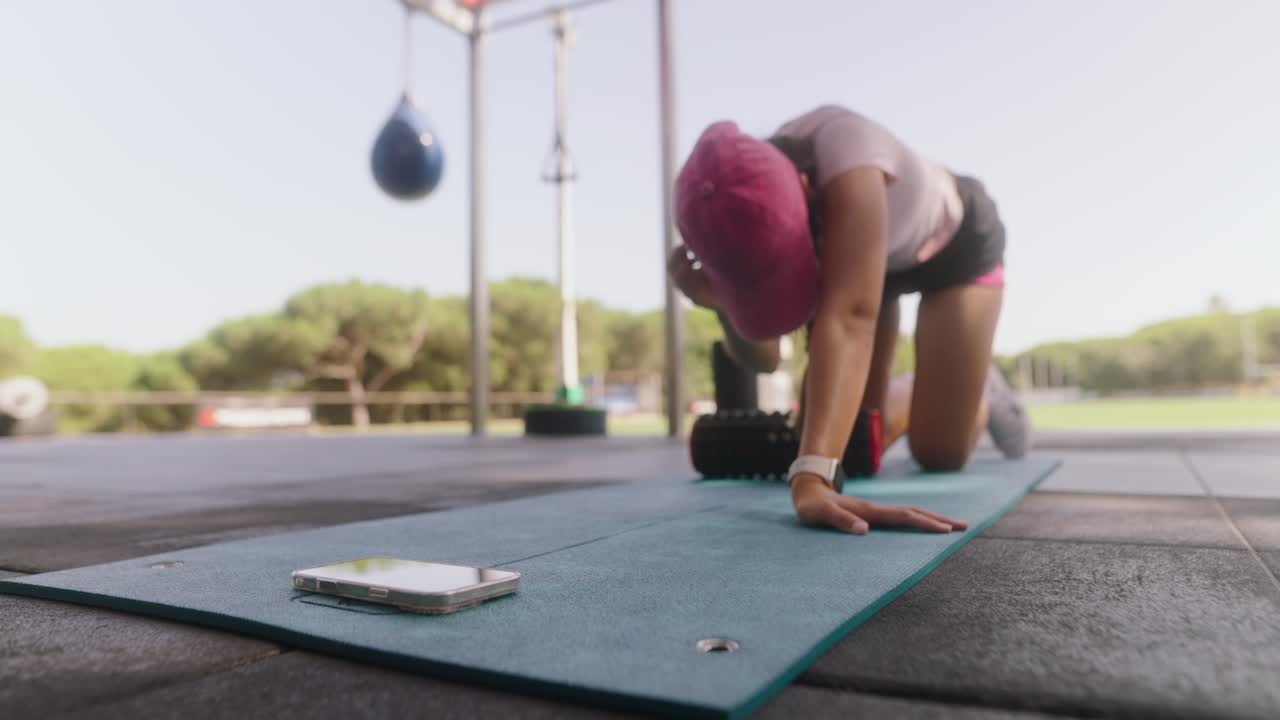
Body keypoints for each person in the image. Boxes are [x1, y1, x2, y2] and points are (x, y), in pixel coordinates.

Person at [668, 105, 1031, 536]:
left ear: (804, 189)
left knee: (939, 453)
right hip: (873, 267)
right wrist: (720, 306)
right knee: (846, 439)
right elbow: (765, 358)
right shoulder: (740, 217)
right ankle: (938, 383)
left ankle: (978, 387)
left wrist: (813, 477)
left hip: (957, 246)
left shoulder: (847, 149)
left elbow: (851, 319)